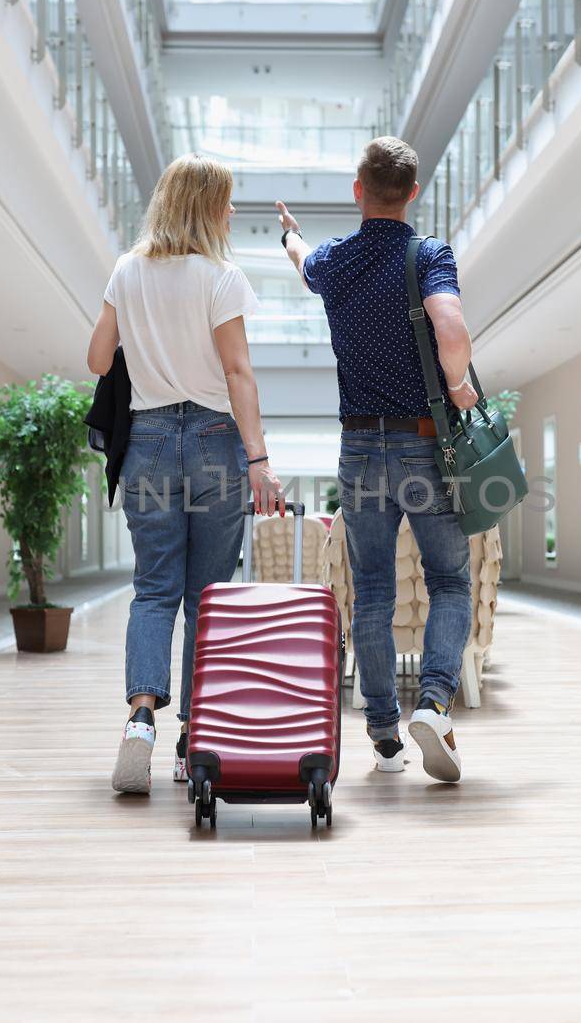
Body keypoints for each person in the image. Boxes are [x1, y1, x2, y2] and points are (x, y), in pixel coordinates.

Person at [276, 136, 478, 783]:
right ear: (412, 192)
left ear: (358, 190)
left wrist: (289, 238)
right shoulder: (428, 256)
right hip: (424, 443)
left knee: (371, 596)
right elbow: (450, 326)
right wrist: (461, 385)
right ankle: (437, 701)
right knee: (449, 580)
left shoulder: (335, 261)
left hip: (359, 449)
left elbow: (305, 262)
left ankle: (387, 736)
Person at [88, 153, 285, 795]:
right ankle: (194, 739)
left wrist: (147, 336)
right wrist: (258, 460)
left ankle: (140, 722)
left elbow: (97, 358)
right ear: (204, 206)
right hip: (213, 439)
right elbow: (238, 374)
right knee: (207, 596)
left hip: (145, 440)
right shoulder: (221, 278)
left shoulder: (127, 269)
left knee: (153, 591)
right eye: (225, 201)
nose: (231, 213)